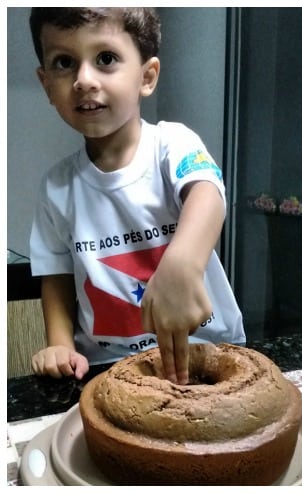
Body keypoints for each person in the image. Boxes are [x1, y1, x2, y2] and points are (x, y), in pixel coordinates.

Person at [28, 7, 245, 384]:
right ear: (47, 85)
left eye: (106, 59)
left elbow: (208, 195)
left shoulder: (172, 144)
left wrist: (182, 263)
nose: (83, 79)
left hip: (208, 353)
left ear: (147, 77)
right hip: (109, 370)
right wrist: (61, 345)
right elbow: (57, 276)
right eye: (64, 62)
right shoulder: (56, 188)